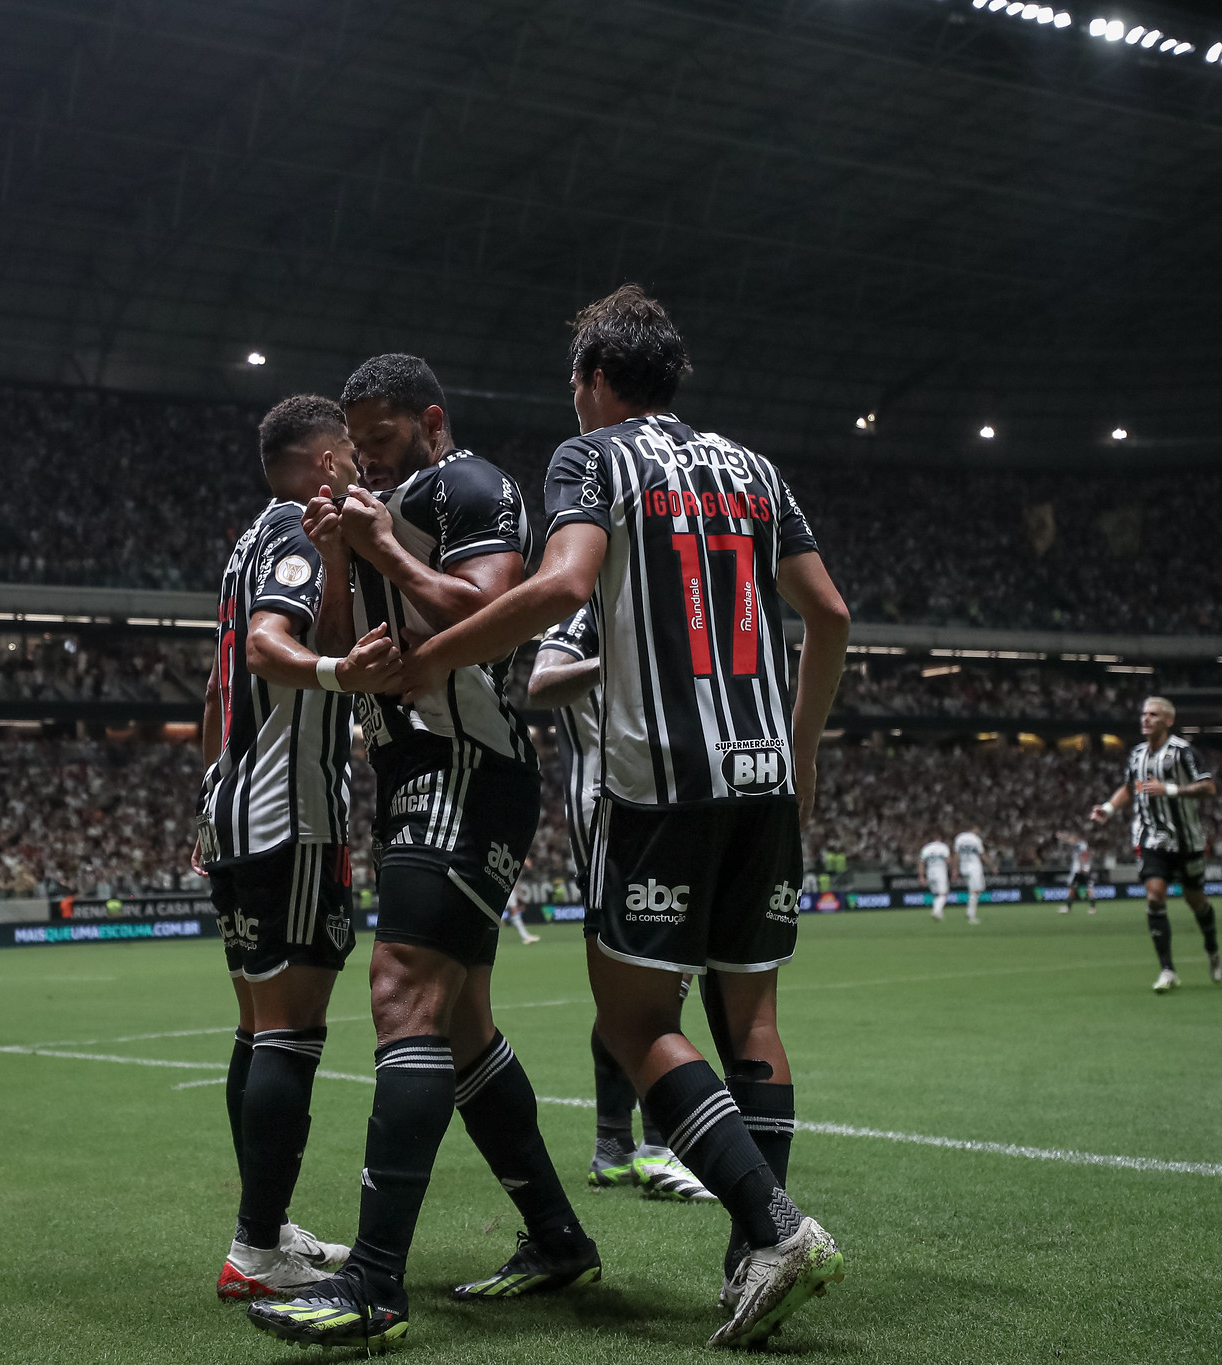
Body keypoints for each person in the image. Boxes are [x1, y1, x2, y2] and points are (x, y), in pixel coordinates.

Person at [386, 286, 848, 1348]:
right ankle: (750, 1261)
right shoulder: (753, 468)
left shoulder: (590, 458)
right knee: (754, 1020)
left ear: (593, 382)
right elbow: (827, 613)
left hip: (658, 781)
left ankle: (774, 1231)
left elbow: (560, 590)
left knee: (633, 1022)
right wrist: (802, 743)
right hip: (762, 774)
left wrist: (433, 658)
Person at [246, 357, 598, 1351]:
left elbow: (487, 621)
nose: (365, 456)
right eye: (356, 442)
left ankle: (372, 1282)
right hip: (411, 774)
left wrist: (384, 550)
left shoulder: (469, 484)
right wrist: (341, 556)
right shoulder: (380, 506)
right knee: (462, 1027)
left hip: (464, 765)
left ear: (430, 422)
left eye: (384, 437)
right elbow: (348, 648)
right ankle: (557, 1237)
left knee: (401, 997)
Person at [199, 394, 405, 1300]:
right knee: (291, 1028)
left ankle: (265, 1223)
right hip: (290, 812)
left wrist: (208, 801)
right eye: (350, 456)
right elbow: (267, 646)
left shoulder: (251, 539)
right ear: (325, 462)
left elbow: (218, 693)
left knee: (256, 1027)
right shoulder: (290, 527)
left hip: (239, 808)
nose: (360, 466)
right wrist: (337, 671)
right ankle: (254, 1248)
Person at [531, 607, 712, 1204]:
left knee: (636, 991)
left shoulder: (657, 605)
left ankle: (614, 1145)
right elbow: (543, 682)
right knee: (655, 988)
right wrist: (624, 661)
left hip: (662, 813)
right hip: (616, 817)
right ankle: (661, 1150)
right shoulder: (590, 613)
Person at [1091, 696, 1222, 993]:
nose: (1145, 719)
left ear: (1168, 720)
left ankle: (1212, 950)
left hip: (1186, 839)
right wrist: (1108, 809)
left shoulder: (1183, 752)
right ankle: (1167, 969)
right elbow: (1131, 788)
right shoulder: (1137, 755)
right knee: (1154, 897)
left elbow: (1208, 787)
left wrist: (1170, 789)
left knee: (1195, 900)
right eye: (1143, 714)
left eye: (1153, 714)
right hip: (1151, 837)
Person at [953, 829, 989, 924]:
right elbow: (982, 855)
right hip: (974, 867)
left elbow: (956, 854)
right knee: (974, 891)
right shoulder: (976, 839)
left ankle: (970, 912)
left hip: (964, 866)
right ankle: (971, 914)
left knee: (980, 888)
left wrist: (955, 869)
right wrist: (992, 865)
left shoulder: (959, 838)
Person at [918, 838, 951, 920]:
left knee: (936, 894)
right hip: (940, 871)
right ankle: (936, 911)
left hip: (930, 872)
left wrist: (921, 876)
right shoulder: (943, 847)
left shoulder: (926, 848)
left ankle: (938, 913)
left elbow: (921, 862)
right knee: (943, 894)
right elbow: (948, 860)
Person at [1062, 834, 1096, 914]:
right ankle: (1068, 908)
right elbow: (1069, 841)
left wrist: (1082, 867)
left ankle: (1093, 908)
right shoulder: (1078, 845)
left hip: (1080, 870)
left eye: (1072, 838)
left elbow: (1084, 855)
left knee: (1088, 889)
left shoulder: (1082, 844)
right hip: (1080, 870)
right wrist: (1062, 837)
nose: (1070, 840)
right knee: (1073, 889)